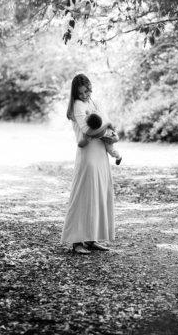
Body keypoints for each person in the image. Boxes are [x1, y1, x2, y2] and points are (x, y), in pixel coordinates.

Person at [61, 74, 115, 254]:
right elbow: (88, 130)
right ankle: (76, 242)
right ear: (76, 93)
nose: (85, 95)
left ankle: (91, 238)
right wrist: (107, 124)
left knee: (98, 195)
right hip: (88, 155)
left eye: (87, 90)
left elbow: (105, 129)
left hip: (101, 152)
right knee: (83, 195)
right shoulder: (78, 105)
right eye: (81, 92)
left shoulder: (96, 102)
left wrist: (111, 134)